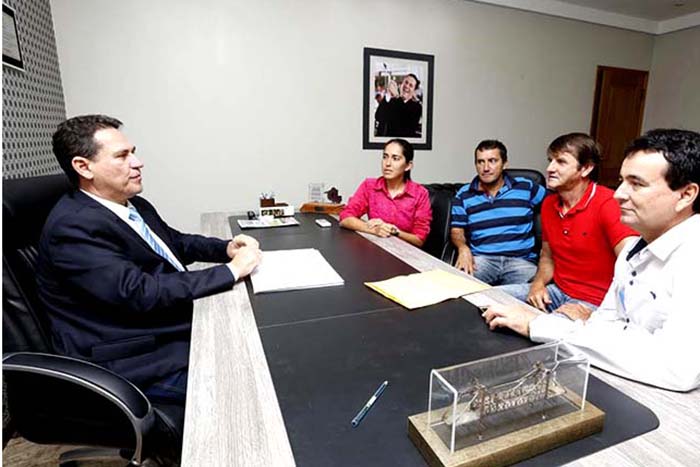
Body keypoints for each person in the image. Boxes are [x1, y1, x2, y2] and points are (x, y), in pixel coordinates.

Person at [37, 114, 262, 403]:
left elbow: (174, 242)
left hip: (161, 328)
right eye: (122, 156)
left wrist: (225, 248)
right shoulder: (73, 227)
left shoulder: (131, 204)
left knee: (259, 342)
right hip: (133, 358)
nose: (137, 162)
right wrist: (231, 271)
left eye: (133, 152)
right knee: (248, 383)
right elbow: (138, 291)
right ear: (84, 167)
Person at [482, 129, 700, 391]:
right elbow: (605, 324)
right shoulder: (634, 252)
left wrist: (540, 325)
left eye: (636, 184)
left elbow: (677, 370)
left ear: (686, 195)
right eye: (621, 181)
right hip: (622, 378)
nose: (618, 194)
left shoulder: (692, 257)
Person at [498, 133, 637, 318]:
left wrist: (599, 316)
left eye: (561, 162)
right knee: (485, 298)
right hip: (556, 292)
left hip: (595, 303)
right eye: (550, 161)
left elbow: (633, 266)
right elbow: (547, 257)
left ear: (586, 168)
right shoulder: (548, 204)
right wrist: (537, 285)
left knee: (541, 327)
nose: (550, 168)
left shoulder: (609, 203)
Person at [450, 140, 546, 285]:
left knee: (535, 292)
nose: (486, 168)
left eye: (492, 161)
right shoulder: (464, 194)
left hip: (521, 261)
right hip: (483, 260)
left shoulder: (525, 186)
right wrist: (462, 248)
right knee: (456, 285)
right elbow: (457, 230)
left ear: (505, 164)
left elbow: (557, 204)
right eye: (480, 162)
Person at [339, 138, 432, 247]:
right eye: (385, 157)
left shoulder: (420, 194)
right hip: (376, 248)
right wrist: (374, 229)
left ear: (408, 165)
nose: (387, 163)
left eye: (395, 158)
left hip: (405, 253)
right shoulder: (369, 186)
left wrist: (393, 231)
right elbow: (345, 217)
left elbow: (419, 239)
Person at [374, 74, 423, 138]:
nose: (407, 86)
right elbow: (378, 116)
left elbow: (403, 125)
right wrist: (388, 95)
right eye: (406, 82)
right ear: (401, 84)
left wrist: (397, 96)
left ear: (414, 90)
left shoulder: (417, 107)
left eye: (411, 85)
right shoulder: (392, 100)